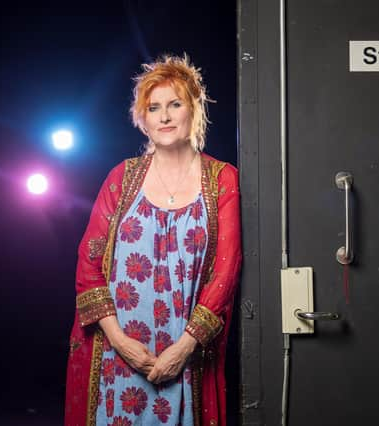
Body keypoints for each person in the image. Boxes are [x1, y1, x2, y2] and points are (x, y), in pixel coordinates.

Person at [65, 54, 242, 426]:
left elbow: (225, 273)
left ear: (194, 109)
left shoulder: (223, 179)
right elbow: (89, 264)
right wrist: (121, 342)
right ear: (141, 119)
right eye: (153, 107)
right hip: (120, 357)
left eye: (174, 104)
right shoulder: (121, 178)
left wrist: (184, 349)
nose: (164, 116)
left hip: (186, 359)